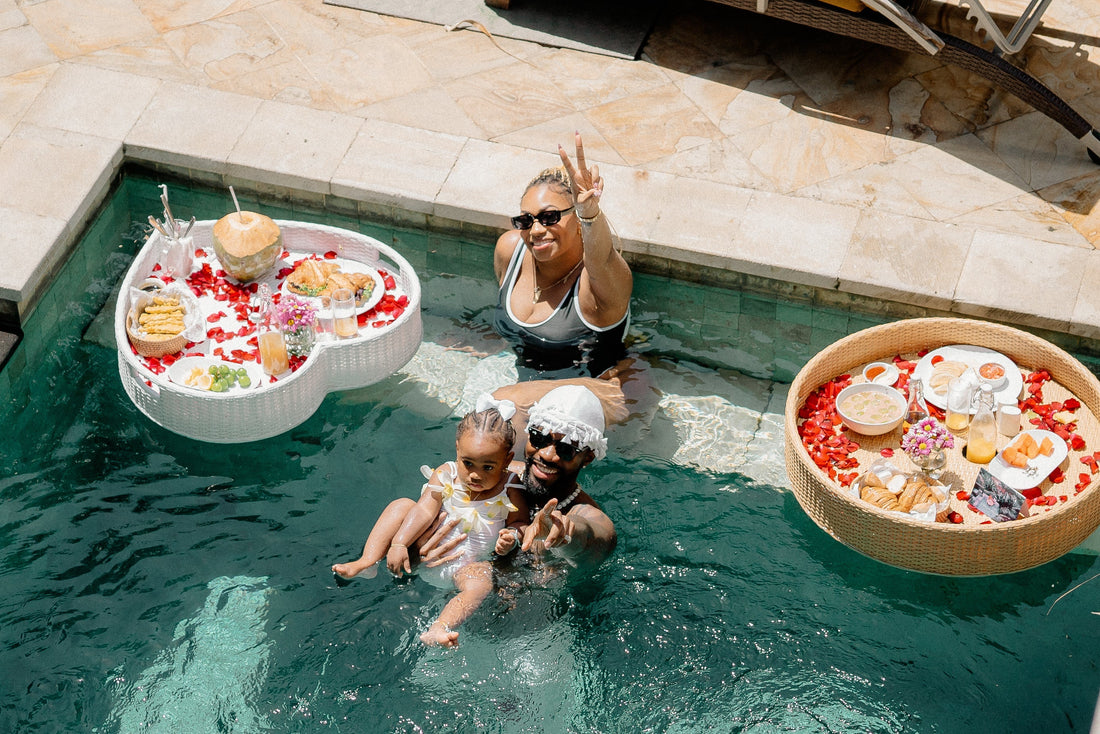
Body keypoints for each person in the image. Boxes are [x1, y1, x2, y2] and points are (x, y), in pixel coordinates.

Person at [331, 396, 530, 647]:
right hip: (419, 555)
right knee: (403, 505)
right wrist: (400, 543)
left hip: (465, 568)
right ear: (457, 449)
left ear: (508, 458)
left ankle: (439, 627)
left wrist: (512, 536)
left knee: (481, 579)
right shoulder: (446, 473)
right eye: (468, 463)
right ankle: (367, 562)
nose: (475, 474)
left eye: (488, 467)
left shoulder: (511, 486)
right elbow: (425, 511)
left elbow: (521, 521)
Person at [493, 133, 633, 379]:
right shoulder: (510, 250)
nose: (536, 230)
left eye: (550, 217)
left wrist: (590, 214)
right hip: (524, 384)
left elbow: (601, 259)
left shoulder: (595, 286)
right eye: (526, 220)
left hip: (587, 395)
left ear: (578, 220)